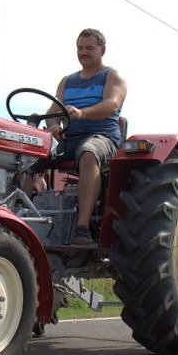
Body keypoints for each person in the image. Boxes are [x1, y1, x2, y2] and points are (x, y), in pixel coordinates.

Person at [44, 28, 127, 245]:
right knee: (30, 155)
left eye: (89, 48)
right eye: (80, 48)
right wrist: (53, 126)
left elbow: (112, 104)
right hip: (69, 139)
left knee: (88, 153)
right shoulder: (67, 81)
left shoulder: (112, 76)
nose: (84, 52)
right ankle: (25, 216)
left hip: (103, 136)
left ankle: (82, 228)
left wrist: (82, 113)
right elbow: (52, 111)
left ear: (102, 50)